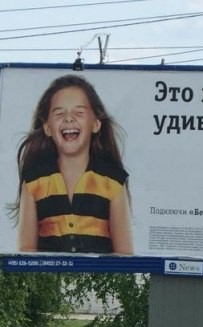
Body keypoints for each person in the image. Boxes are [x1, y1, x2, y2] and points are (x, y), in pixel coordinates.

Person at [10, 74, 133, 254]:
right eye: (59, 113)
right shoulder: (33, 182)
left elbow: (125, 255)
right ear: (47, 127)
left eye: (79, 113)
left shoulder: (113, 182)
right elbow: (26, 253)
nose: (69, 119)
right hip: (50, 280)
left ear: (96, 124)